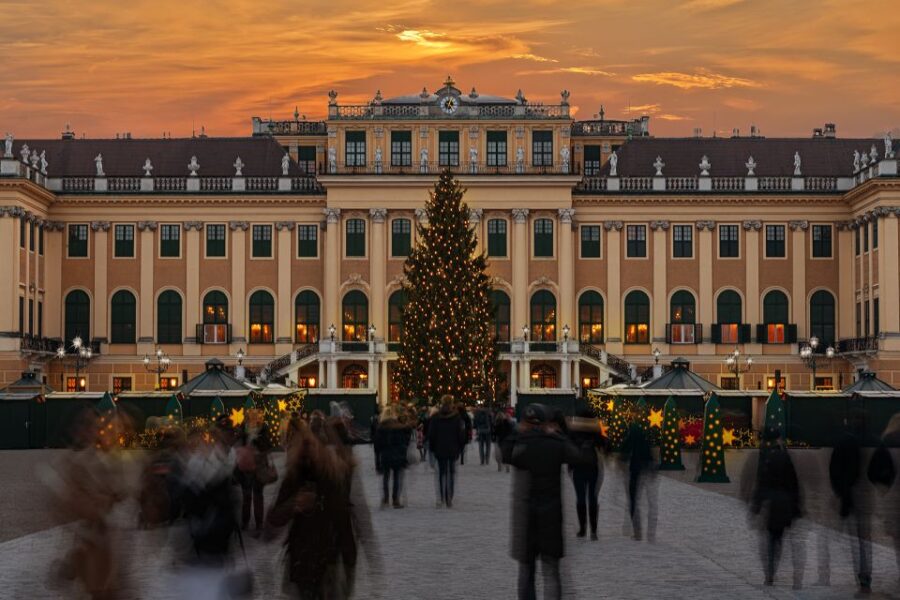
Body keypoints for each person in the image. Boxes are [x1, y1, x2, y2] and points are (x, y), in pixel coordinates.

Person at [502, 403, 589, 600]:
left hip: (526, 517)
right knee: (551, 572)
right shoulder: (555, 443)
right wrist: (558, 434)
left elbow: (504, 454)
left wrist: (516, 432)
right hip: (551, 515)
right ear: (546, 422)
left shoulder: (522, 444)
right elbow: (577, 456)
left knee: (527, 572)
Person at [751, 427, 803, 587]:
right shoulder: (784, 457)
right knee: (778, 538)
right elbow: (794, 483)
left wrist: (757, 504)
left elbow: (761, 482)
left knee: (771, 539)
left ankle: (770, 572)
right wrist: (797, 505)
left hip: (772, 503)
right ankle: (776, 571)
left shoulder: (766, 458)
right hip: (785, 502)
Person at [825, 420, 873, 594]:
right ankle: (865, 574)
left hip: (852, 495)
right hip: (866, 497)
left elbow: (834, 469)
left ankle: (862, 574)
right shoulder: (873, 440)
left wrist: (840, 491)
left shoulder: (844, 443)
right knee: (864, 538)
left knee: (859, 540)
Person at [568, 408, 607, 540]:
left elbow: (569, 448)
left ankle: (582, 529)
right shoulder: (595, 431)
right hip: (593, 468)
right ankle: (594, 531)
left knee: (580, 498)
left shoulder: (575, 431)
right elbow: (606, 445)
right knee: (593, 498)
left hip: (578, 468)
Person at [235, 409, 275, 533]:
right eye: (250, 416)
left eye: (255, 416)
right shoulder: (242, 429)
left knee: (258, 496)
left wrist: (257, 440)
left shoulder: (264, 429)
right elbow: (237, 445)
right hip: (245, 467)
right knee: (246, 496)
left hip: (259, 467)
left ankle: (259, 524)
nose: (253, 418)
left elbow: (268, 446)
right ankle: (245, 522)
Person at [620, 422, 657, 541]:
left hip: (635, 471)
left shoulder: (631, 438)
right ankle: (650, 533)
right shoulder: (644, 441)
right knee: (650, 502)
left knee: (633, 500)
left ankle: (637, 532)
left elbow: (624, 453)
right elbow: (650, 457)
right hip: (646, 470)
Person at [428, 395, 466, 507]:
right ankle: (450, 497)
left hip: (439, 449)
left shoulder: (435, 417)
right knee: (452, 473)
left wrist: (432, 448)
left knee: (441, 473)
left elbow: (431, 435)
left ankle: (442, 497)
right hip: (453, 448)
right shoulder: (457, 418)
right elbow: (461, 435)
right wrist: (460, 448)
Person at [374, 406, 411, 508]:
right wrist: (404, 456)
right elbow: (403, 443)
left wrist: (377, 462)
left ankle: (385, 499)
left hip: (385, 455)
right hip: (397, 454)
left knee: (385, 477)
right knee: (396, 478)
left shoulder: (380, 428)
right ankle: (395, 500)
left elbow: (377, 445)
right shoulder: (398, 427)